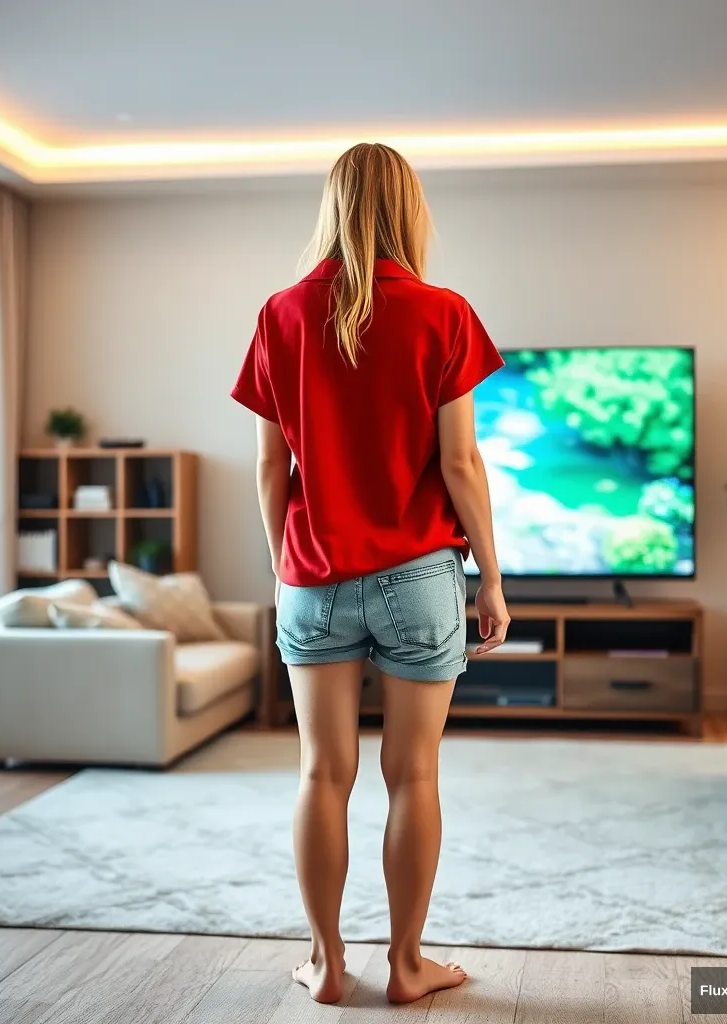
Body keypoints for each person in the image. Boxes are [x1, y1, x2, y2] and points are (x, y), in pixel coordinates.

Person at [231, 142, 510, 1005]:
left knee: (322, 772)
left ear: (332, 206)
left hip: (310, 576)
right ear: (408, 210)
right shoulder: (443, 312)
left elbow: (270, 471)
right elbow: (460, 465)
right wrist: (490, 579)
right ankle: (406, 963)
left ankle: (325, 962)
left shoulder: (280, 313)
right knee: (414, 774)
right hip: (420, 576)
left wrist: (289, 566)